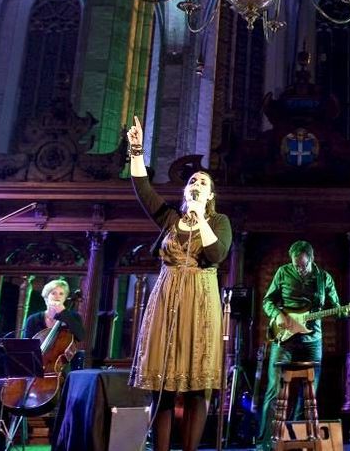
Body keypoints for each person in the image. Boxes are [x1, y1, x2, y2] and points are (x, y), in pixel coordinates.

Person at [126, 116, 232, 451]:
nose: (196, 183)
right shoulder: (170, 218)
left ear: (210, 193)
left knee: (196, 386)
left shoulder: (219, 221)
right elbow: (143, 190)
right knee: (164, 386)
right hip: (167, 299)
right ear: (184, 191)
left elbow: (216, 254)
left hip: (201, 302)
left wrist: (201, 218)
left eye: (203, 182)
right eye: (192, 182)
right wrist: (137, 150)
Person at [256, 241, 350, 451]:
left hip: (312, 341)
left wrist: (345, 311)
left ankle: (296, 441)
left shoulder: (323, 278)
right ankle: (265, 444)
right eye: (296, 265)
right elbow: (267, 302)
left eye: (303, 265)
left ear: (311, 259)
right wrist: (279, 315)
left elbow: (335, 307)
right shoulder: (283, 272)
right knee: (274, 390)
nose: (299, 269)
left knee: (308, 393)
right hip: (284, 340)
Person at [22, 279, 86, 343]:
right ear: (46, 297)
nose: (57, 296)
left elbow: (81, 337)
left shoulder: (74, 317)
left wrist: (64, 313)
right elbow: (26, 345)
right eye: (53, 293)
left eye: (61, 294)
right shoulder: (33, 319)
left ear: (65, 298)